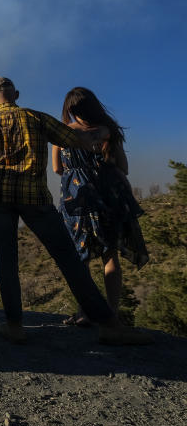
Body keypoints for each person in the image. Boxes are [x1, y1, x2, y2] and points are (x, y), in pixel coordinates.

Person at [0, 77, 151, 345]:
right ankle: (109, 324)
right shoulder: (37, 118)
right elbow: (76, 139)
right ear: (15, 94)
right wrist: (104, 132)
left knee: (6, 261)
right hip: (34, 197)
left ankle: (15, 325)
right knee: (69, 259)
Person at [51, 87, 149, 326]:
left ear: (70, 109)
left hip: (77, 199)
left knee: (80, 256)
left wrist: (77, 172)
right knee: (110, 254)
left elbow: (57, 169)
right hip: (109, 195)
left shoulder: (62, 133)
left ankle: (84, 311)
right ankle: (111, 314)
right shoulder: (107, 131)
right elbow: (122, 167)